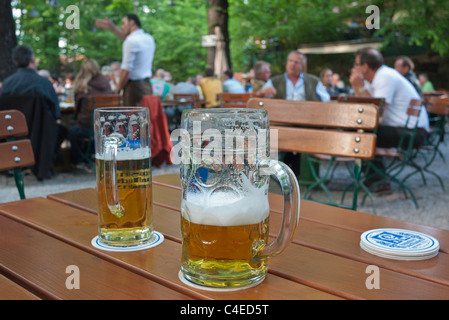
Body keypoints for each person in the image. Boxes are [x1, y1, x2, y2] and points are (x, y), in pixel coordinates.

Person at [349, 47, 430, 192]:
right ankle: (373, 179)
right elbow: (363, 108)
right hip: (404, 129)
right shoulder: (374, 79)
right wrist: (359, 87)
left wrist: (359, 87)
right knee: (362, 131)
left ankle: (378, 181)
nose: (354, 68)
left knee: (363, 134)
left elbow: (374, 112)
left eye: (357, 64)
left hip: (414, 133)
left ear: (365, 67)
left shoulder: (385, 77)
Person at [1, 45, 67, 178]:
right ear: (32, 59)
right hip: (42, 135)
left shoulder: (7, 84)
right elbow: (56, 113)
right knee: (62, 130)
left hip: (13, 134)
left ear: (15, 61)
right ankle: (44, 165)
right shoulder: (44, 83)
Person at [95, 14, 154, 105]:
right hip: (147, 86)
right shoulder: (149, 38)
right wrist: (112, 27)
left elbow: (126, 69)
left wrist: (118, 89)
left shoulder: (130, 41)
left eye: (123, 23)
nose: (122, 27)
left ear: (132, 22)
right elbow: (128, 39)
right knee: (146, 116)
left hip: (134, 88)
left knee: (131, 116)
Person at [68, 59, 112, 165]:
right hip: (107, 128)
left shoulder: (82, 86)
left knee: (70, 131)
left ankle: (78, 161)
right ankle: (92, 156)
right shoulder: (106, 84)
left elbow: (77, 111)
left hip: (89, 128)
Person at [258, 51, 330, 101]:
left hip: (307, 120)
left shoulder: (314, 81)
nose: (292, 64)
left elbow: (326, 100)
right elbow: (258, 95)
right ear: (286, 63)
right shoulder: (274, 81)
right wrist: (263, 92)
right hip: (281, 120)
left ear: (302, 66)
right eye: (290, 61)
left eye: (296, 62)